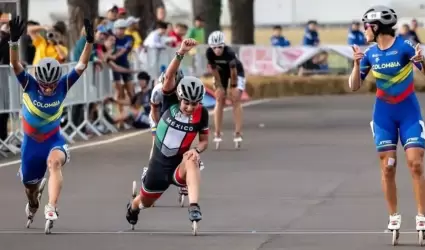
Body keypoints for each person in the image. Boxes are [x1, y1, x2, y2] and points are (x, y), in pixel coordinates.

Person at [8, 16, 93, 233]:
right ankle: (35, 203)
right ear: (39, 80)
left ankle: (51, 207)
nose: (47, 89)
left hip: (53, 140)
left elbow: (82, 65)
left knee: (54, 163)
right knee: (30, 189)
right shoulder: (29, 83)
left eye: (51, 85)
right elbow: (14, 64)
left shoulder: (63, 85)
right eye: (44, 85)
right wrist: (14, 42)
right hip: (31, 146)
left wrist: (89, 42)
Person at [349, 5, 425, 239]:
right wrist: (355, 64)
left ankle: (421, 217)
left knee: (415, 163)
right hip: (383, 115)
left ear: (376, 27)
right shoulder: (369, 53)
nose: (364, 31)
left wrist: (422, 62)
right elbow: (353, 86)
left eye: (366, 27)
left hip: (409, 111)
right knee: (388, 166)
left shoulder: (404, 46)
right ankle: (394, 217)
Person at [126, 39, 209, 227]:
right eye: (186, 102)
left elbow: (204, 141)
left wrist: (196, 150)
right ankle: (133, 207)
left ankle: (194, 205)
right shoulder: (168, 99)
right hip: (158, 167)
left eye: (194, 104)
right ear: (178, 97)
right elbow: (170, 76)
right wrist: (181, 52)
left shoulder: (201, 113)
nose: (189, 107)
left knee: (193, 160)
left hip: (178, 166)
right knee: (145, 202)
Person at [206, 31, 245, 148]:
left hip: (236, 72)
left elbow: (233, 73)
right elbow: (213, 70)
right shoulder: (209, 53)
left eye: (220, 47)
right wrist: (219, 86)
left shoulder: (229, 53)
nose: (217, 50)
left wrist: (233, 86)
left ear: (224, 46)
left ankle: (238, 131)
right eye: (214, 47)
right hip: (221, 73)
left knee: (235, 98)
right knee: (219, 98)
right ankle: (217, 131)